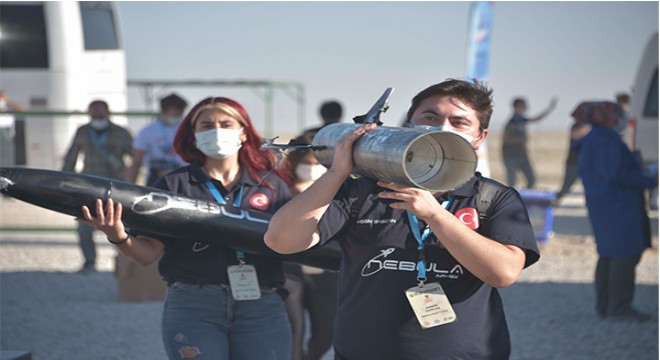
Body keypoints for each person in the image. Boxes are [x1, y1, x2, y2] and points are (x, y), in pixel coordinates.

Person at [265, 79, 540, 359]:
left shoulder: (492, 198)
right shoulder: (364, 191)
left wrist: (434, 214)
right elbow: (281, 241)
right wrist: (337, 173)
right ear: (409, 123)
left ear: (480, 136)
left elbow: (503, 273)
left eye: (459, 122)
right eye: (430, 117)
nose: (442, 128)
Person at [77, 97, 293, 359]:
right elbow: (147, 254)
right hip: (194, 305)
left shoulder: (271, 185)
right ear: (193, 134)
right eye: (206, 125)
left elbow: (292, 243)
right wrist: (117, 235)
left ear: (243, 131)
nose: (217, 131)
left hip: (262, 304)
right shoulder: (173, 185)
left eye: (226, 124)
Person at [573, 101, 657, 323]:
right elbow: (615, 174)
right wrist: (649, 179)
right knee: (625, 254)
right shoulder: (606, 140)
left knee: (610, 253)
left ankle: (606, 306)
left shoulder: (594, 139)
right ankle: (619, 308)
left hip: (606, 204)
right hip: (618, 205)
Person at [62, 100, 133, 273]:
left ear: (108, 113)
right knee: (85, 227)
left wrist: (130, 177)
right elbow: (71, 157)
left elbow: (135, 158)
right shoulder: (83, 131)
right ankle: (89, 262)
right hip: (89, 187)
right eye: (94, 114)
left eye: (100, 114)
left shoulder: (121, 133)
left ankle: (125, 263)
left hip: (116, 188)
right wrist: (64, 181)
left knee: (121, 227)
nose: (97, 117)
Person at [280, 143, 336, 360]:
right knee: (294, 326)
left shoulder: (337, 195)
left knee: (327, 329)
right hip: (289, 266)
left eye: (317, 163)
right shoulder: (281, 191)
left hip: (324, 268)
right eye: (307, 163)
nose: (313, 168)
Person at [127, 93, 189, 186]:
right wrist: (130, 187)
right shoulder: (147, 131)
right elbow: (136, 162)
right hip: (157, 177)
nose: (178, 117)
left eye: (180, 114)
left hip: (183, 176)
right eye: (174, 114)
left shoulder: (188, 130)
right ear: (163, 112)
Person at [501, 96, 557, 188]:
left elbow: (536, 119)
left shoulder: (521, 120)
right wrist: (520, 139)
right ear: (517, 106)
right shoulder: (512, 122)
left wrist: (550, 109)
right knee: (512, 181)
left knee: (531, 179)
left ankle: (524, 198)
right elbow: (506, 139)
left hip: (521, 154)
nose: (526, 107)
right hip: (510, 155)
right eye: (523, 105)